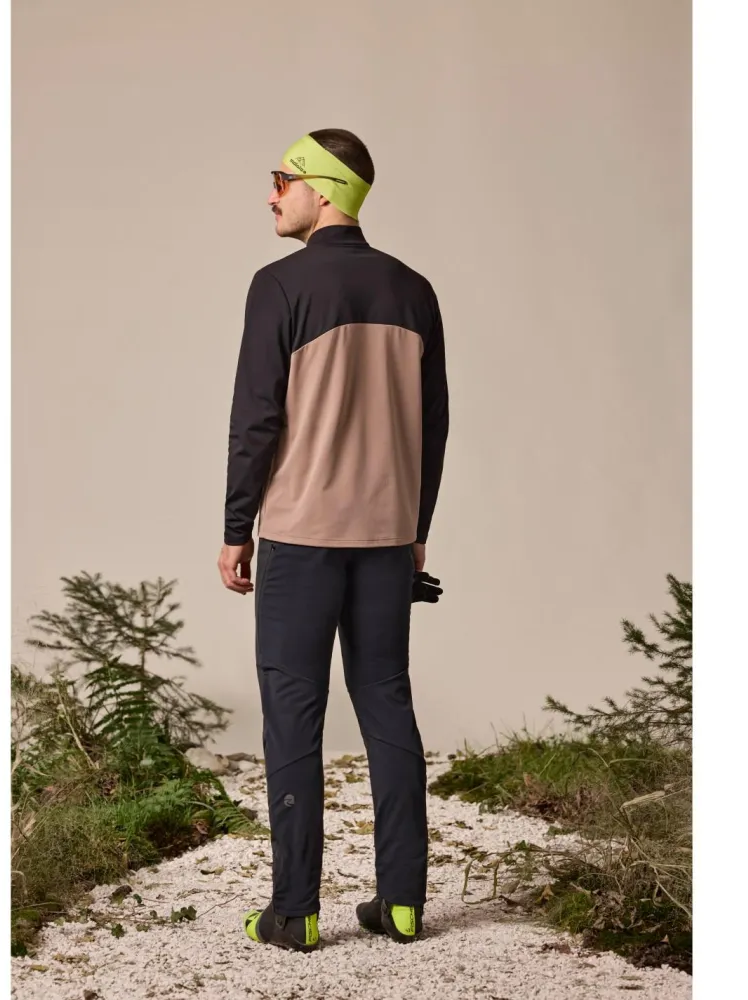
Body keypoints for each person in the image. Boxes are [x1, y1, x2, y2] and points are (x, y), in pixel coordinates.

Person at [218, 128, 450, 951]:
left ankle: (295, 911)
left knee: (293, 714)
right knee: (388, 704)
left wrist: (236, 527)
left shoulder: (279, 285)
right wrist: (416, 531)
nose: (272, 194)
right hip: (387, 537)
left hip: (301, 536)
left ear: (323, 187)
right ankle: (402, 904)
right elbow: (434, 425)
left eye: (281, 179)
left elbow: (256, 417)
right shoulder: (414, 289)